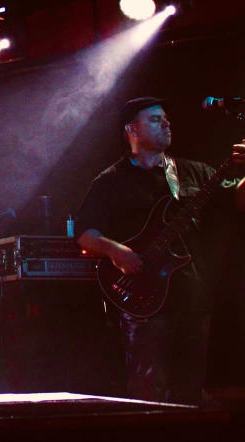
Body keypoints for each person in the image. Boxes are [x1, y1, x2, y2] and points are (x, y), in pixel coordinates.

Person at [75, 96, 245, 404]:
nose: (166, 123)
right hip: (143, 300)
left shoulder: (193, 172)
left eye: (166, 118)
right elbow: (86, 234)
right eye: (155, 119)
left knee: (190, 390)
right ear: (132, 130)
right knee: (147, 390)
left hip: (192, 297)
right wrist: (117, 252)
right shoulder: (111, 180)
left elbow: (238, 202)